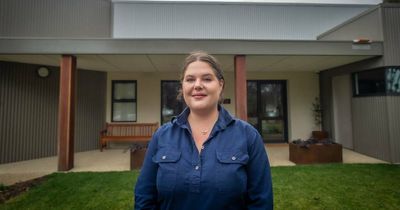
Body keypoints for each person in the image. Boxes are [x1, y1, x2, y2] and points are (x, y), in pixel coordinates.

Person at [134, 51, 273, 210]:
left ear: (220, 85)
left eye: (207, 79)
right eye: (190, 79)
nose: (197, 85)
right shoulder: (162, 136)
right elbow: (144, 197)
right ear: (183, 86)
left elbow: (261, 202)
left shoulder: (248, 136)